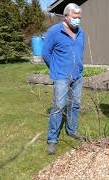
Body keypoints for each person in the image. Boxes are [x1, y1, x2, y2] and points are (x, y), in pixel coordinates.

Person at [42, 3, 86, 155]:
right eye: (75, 17)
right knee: (59, 107)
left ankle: (72, 130)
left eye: (79, 18)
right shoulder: (54, 31)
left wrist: (79, 68)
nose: (77, 20)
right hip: (61, 76)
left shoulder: (81, 33)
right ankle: (52, 139)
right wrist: (55, 68)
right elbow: (46, 53)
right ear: (66, 16)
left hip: (78, 76)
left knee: (75, 105)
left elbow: (80, 52)